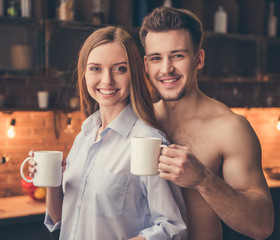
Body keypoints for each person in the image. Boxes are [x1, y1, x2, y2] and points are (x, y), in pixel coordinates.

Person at [28, 26, 187, 240]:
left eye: (120, 69)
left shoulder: (148, 142)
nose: (107, 80)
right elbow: (61, 221)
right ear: (84, 72)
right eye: (95, 68)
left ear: (135, 74)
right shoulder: (83, 136)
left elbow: (173, 228)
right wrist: (52, 180)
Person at [139, 6, 274, 240]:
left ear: (199, 59)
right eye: (156, 58)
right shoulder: (138, 120)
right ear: (146, 65)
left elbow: (261, 225)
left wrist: (203, 178)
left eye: (177, 55)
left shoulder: (230, 128)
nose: (166, 68)